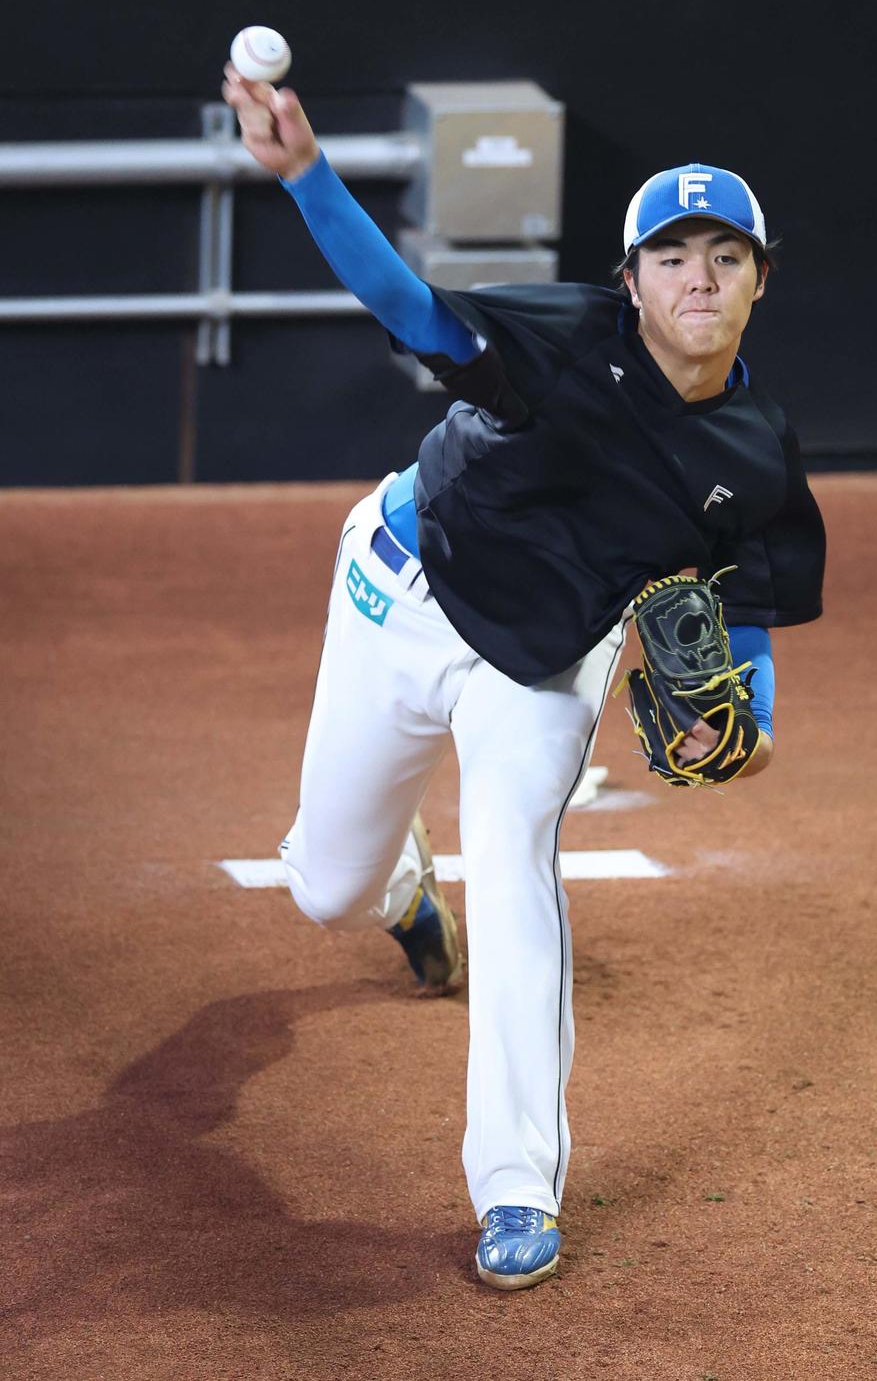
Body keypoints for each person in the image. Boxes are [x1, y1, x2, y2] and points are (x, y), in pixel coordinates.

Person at [223, 64, 826, 1290]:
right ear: (630, 279)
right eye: (670, 257)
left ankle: (515, 1186)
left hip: (543, 664)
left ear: (761, 278)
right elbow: (408, 307)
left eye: (724, 256)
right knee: (324, 889)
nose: (697, 278)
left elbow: (749, 632)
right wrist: (306, 173)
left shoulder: (758, 459)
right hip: (401, 592)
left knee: (512, 866)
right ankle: (397, 886)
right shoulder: (560, 341)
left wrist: (743, 734)